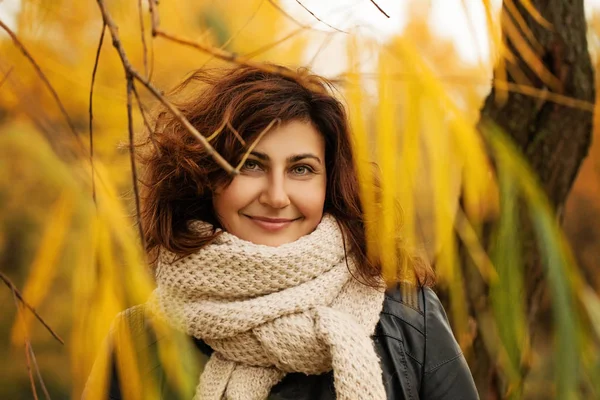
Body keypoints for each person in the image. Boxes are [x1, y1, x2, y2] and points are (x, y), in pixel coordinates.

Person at [86, 64, 479, 399]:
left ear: (331, 186)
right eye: (250, 165)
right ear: (206, 177)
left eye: (301, 169)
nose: (276, 196)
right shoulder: (137, 340)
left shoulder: (410, 319)